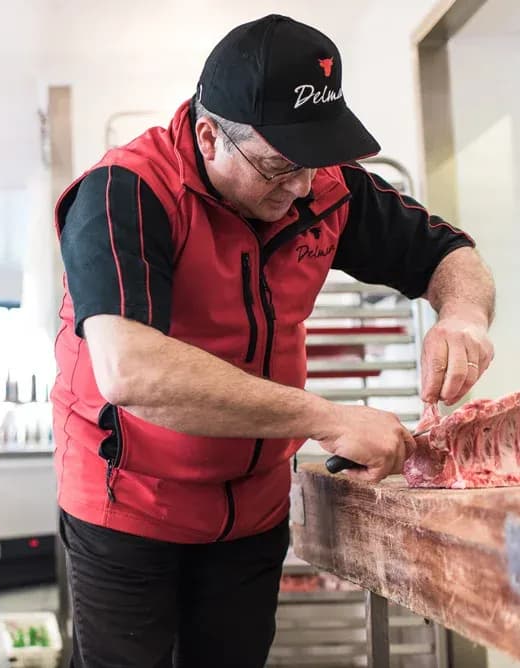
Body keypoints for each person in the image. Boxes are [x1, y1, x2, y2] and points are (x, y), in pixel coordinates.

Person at [51, 14, 495, 668]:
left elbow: (450, 254)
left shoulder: (319, 186)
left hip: (250, 511)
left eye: (315, 166)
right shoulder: (125, 192)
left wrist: (464, 318)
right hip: (129, 507)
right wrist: (326, 419)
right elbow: (132, 371)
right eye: (278, 166)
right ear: (209, 137)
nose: (301, 190)